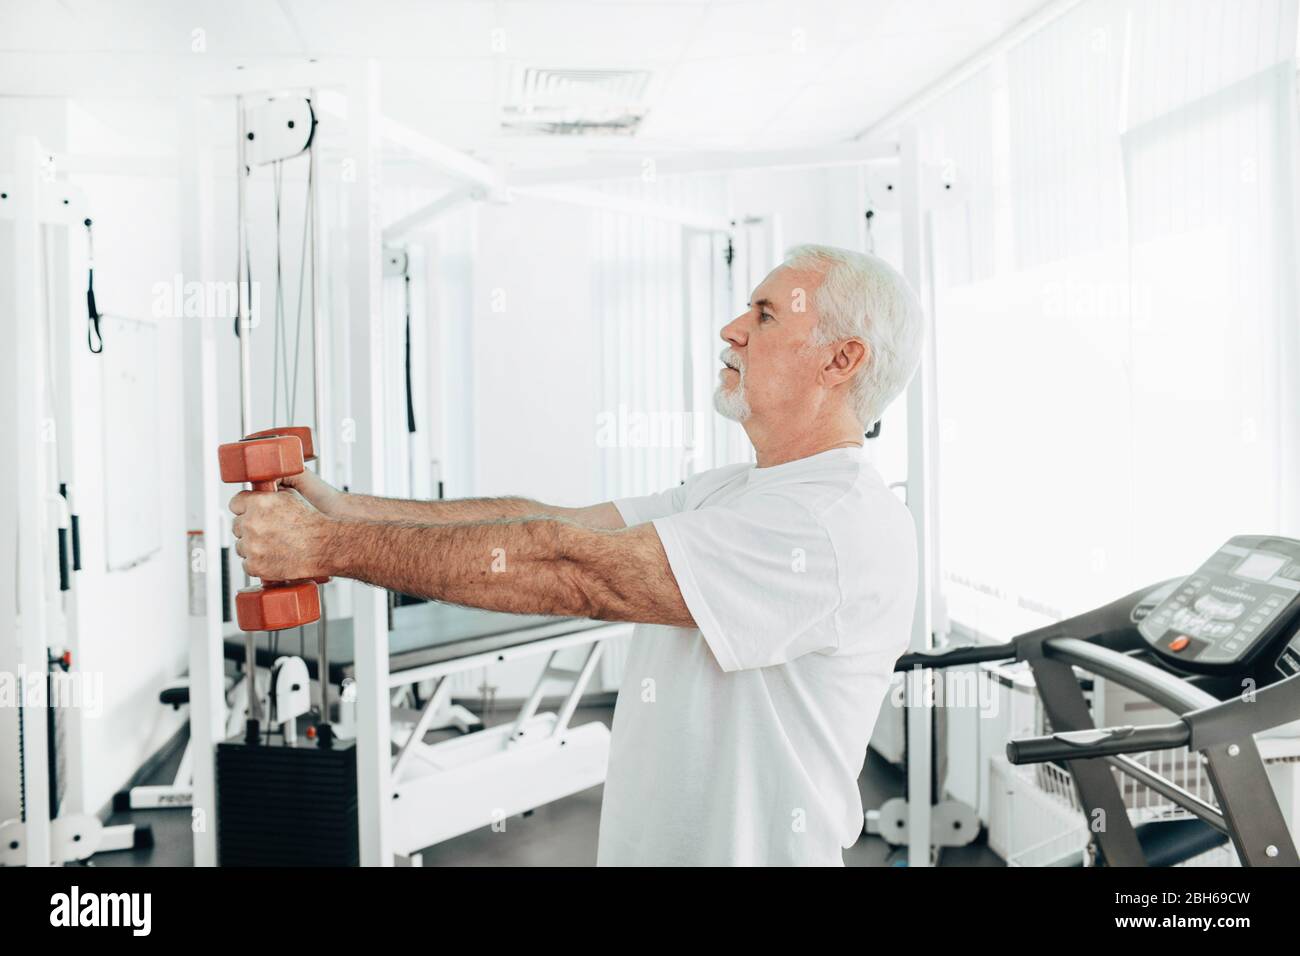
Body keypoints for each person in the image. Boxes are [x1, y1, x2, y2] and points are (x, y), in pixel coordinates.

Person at [230, 243, 926, 865]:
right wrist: (341, 508)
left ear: (841, 360)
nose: (732, 329)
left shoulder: (826, 521)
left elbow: (571, 569)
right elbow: (547, 521)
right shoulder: (737, 489)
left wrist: (324, 546)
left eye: (766, 315)